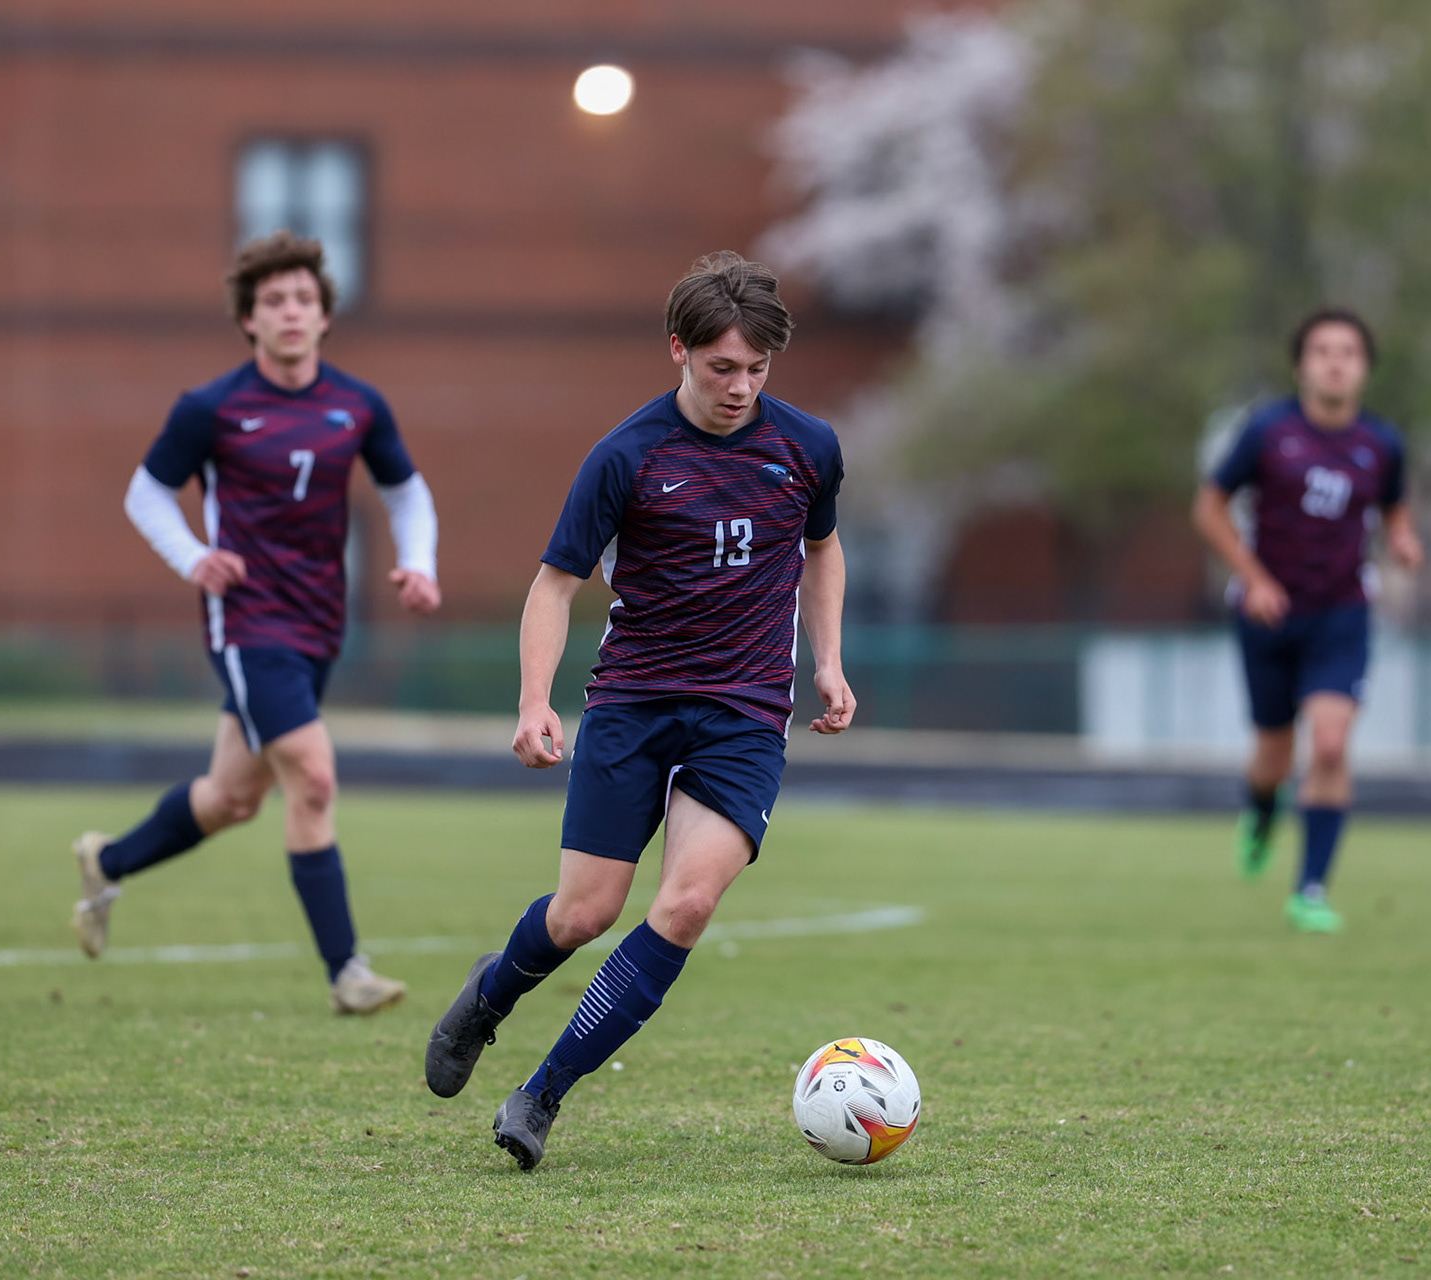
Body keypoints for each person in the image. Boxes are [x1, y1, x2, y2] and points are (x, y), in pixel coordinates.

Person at [422, 251, 854, 1171]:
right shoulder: (627, 456)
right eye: (721, 368)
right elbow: (552, 587)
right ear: (678, 351)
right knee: (584, 913)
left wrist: (830, 663)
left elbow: (823, 551)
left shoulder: (809, 448)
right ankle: (490, 996)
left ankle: (540, 1096)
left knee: (687, 903)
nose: (741, 389)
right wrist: (535, 701)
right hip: (633, 704)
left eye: (757, 370)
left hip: (743, 717)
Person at [72, 231, 441, 1015]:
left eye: (304, 299)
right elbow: (146, 493)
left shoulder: (357, 404)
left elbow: (407, 491)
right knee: (313, 775)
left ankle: (107, 861)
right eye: (273, 301)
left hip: (317, 624)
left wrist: (421, 561)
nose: (291, 312)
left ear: (324, 315)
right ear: (249, 319)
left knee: (232, 798)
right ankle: (348, 972)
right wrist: (192, 557)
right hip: (247, 623)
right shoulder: (210, 408)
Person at [1192, 308, 1423, 933]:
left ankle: (1310, 890)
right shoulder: (1267, 432)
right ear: (1301, 364)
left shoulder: (1382, 444)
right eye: (1322, 350)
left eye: (1348, 351)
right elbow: (1209, 508)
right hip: (1268, 615)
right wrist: (1256, 577)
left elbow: (1395, 510)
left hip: (1341, 613)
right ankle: (1262, 810)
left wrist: (1403, 540)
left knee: (1329, 743)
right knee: (1273, 753)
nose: (1335, 361)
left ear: (1365, 368)